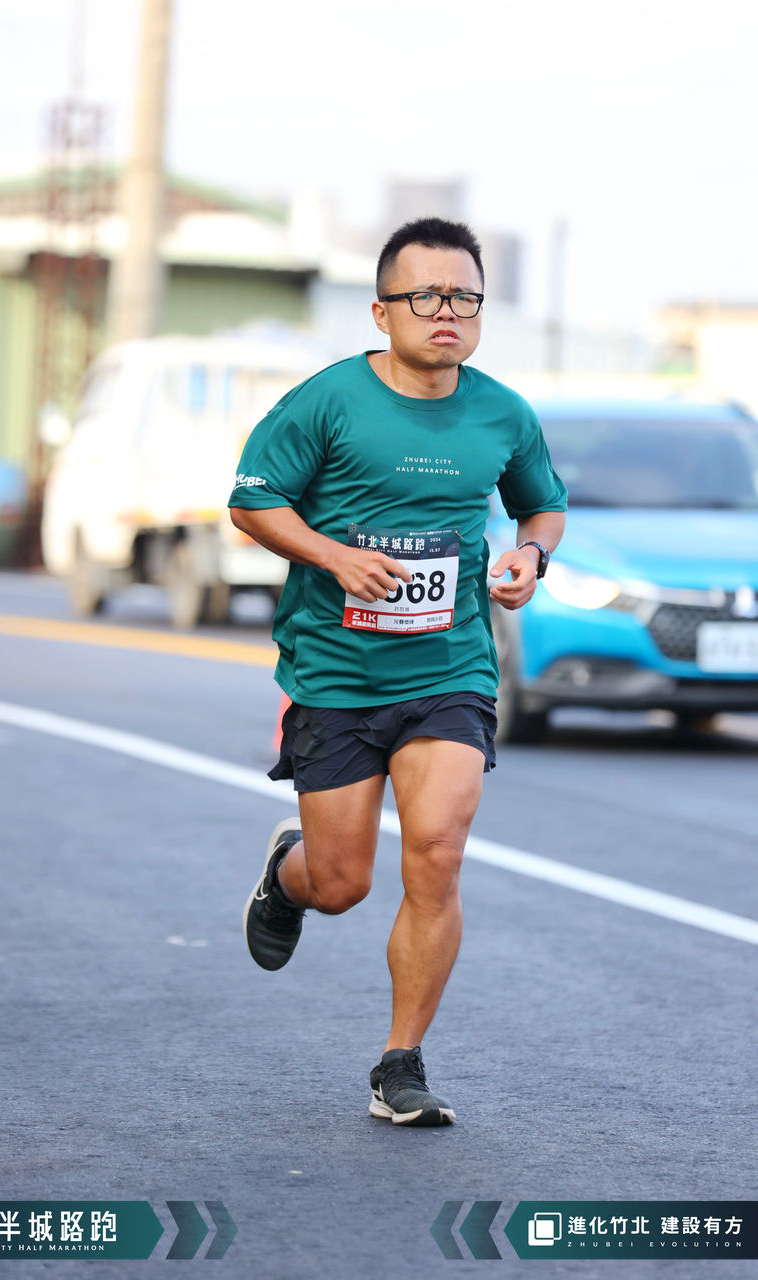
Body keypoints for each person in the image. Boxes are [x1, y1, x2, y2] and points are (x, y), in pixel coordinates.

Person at [228, 217, 567, 1126]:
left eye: (463, 296)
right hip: (336, 672)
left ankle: (399, 1064)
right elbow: (252, 503)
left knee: (437, 854)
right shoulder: (327, 401)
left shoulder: (502, 413)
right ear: (382, 311)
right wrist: (334, 556)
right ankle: (289, 874)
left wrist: (529, 557)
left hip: (449, 667)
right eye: (423, 295)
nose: (444, 311)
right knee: (342, 884)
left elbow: (541, 506)